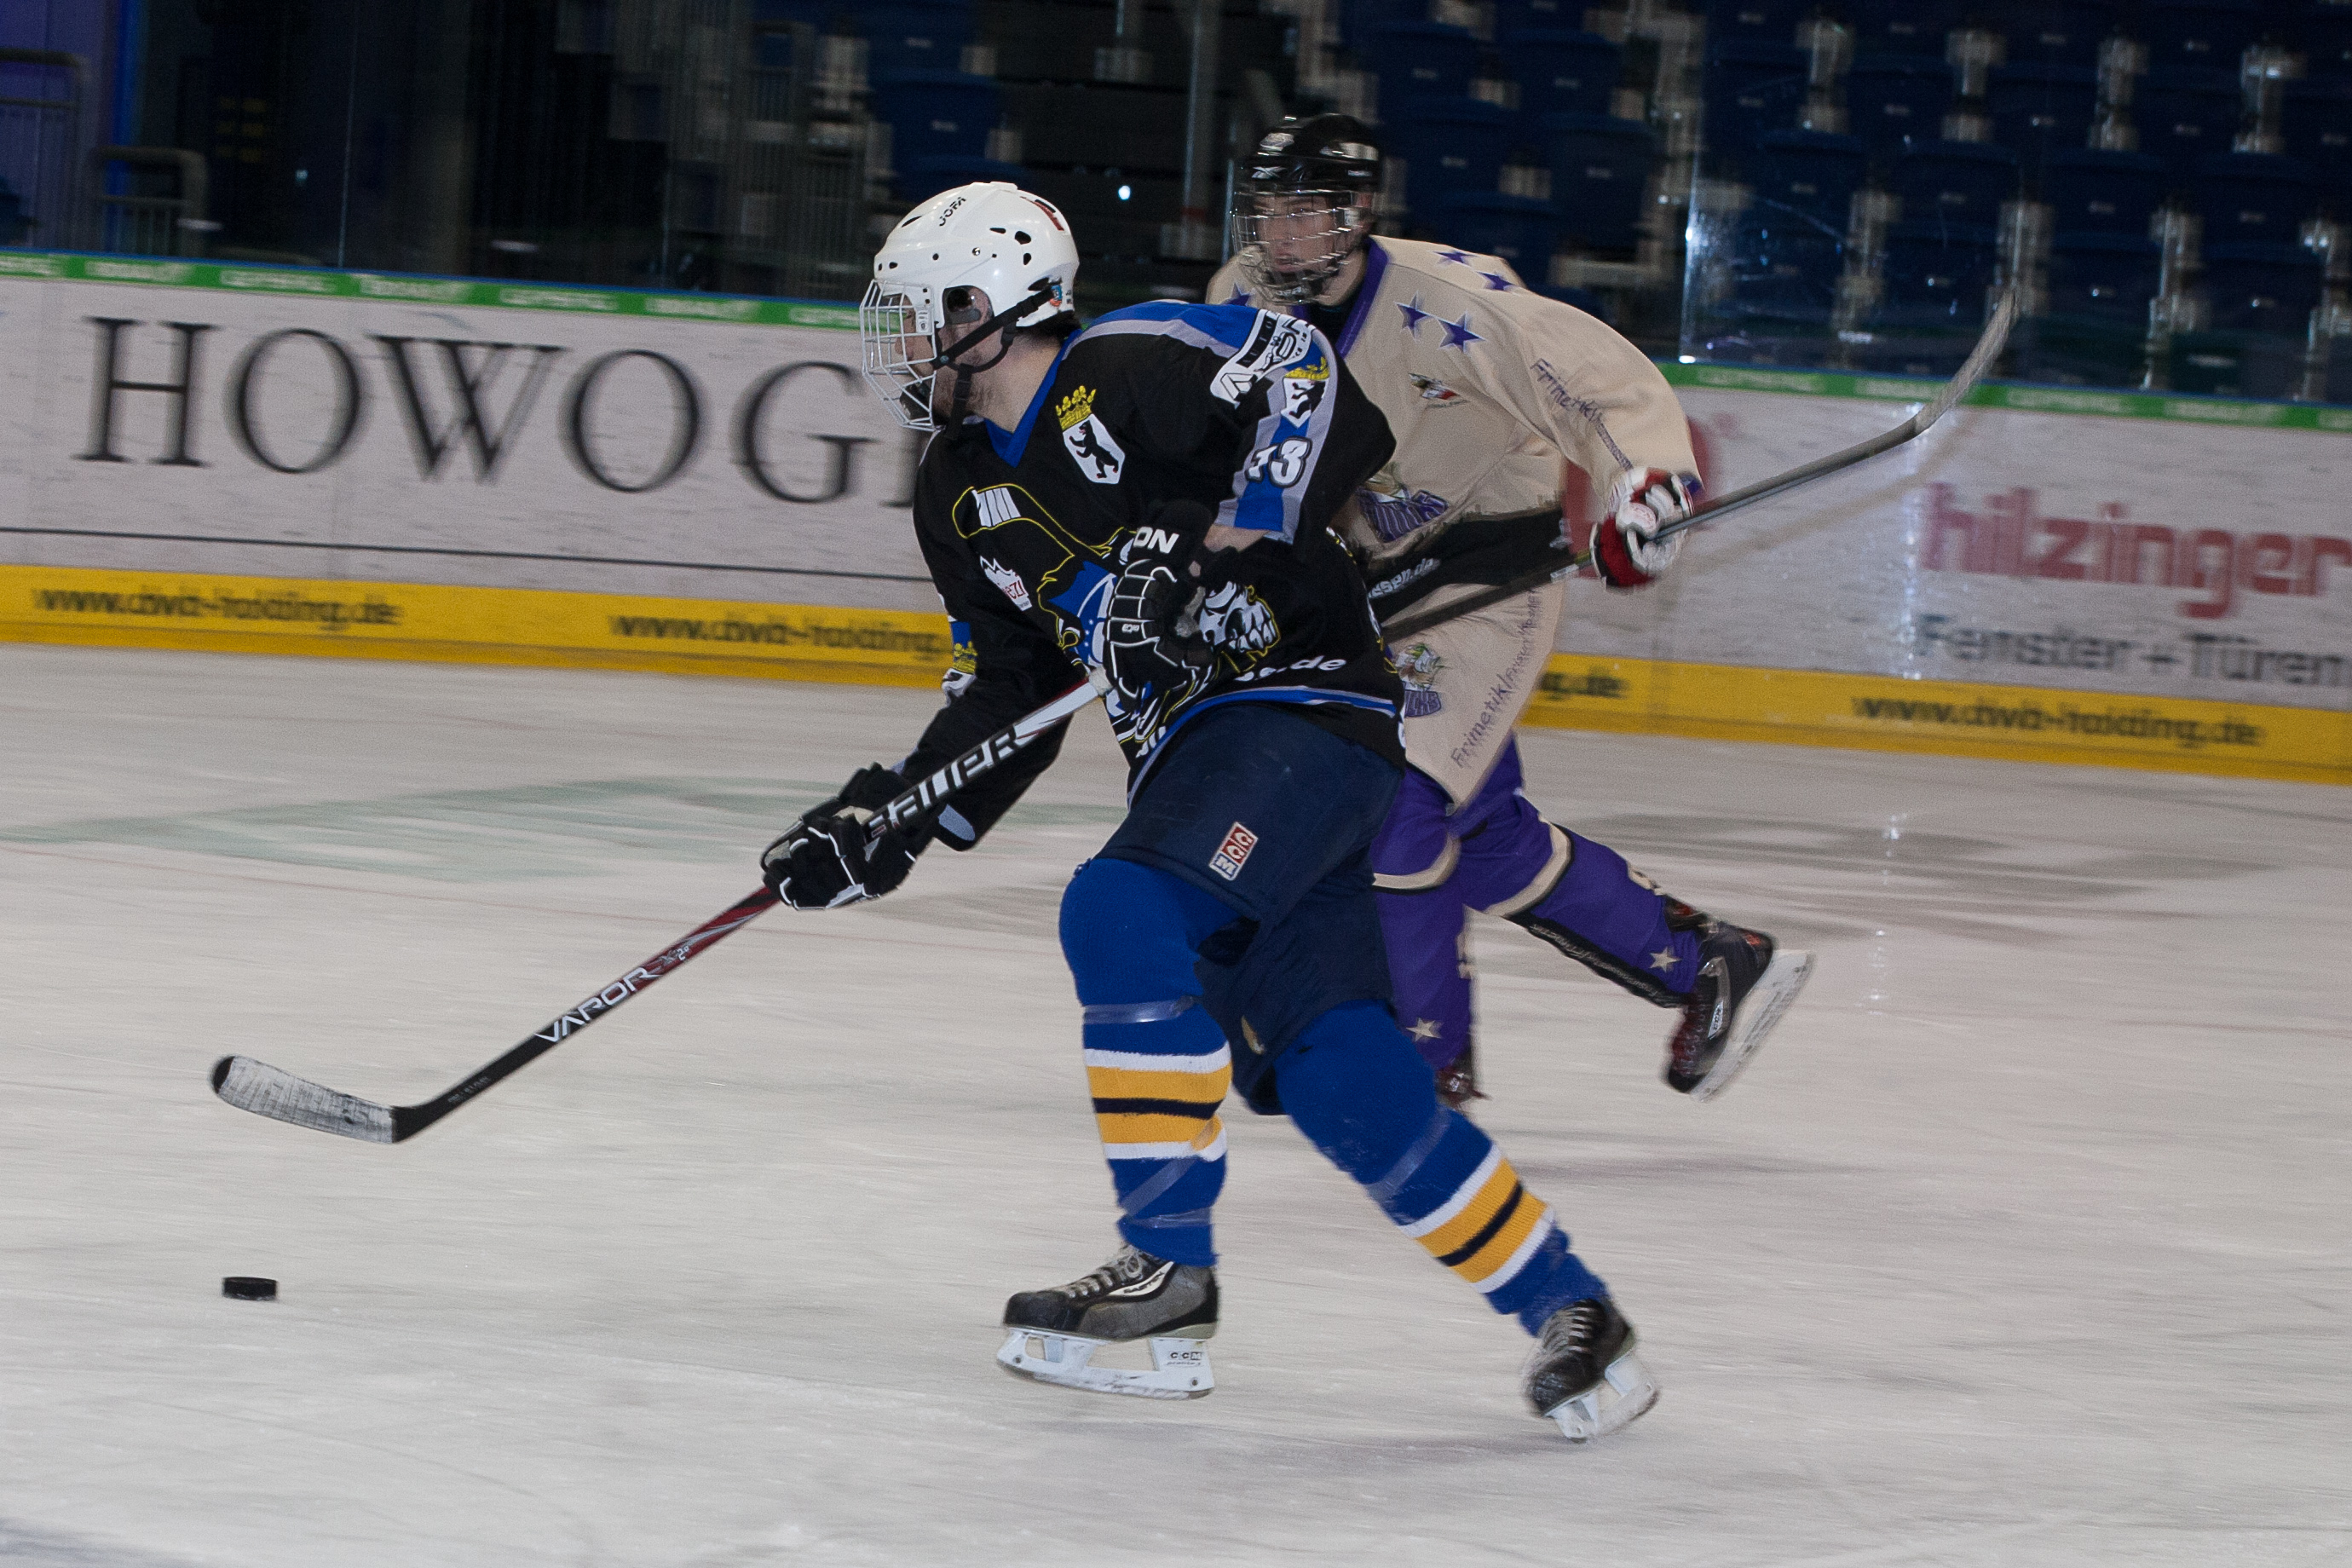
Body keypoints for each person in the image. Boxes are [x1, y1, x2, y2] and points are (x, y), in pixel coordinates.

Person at [759, 181, 1657, 1439]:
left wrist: (1238, 547)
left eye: (919, 316)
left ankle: (1168, 1274)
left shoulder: (1131, 363)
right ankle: (1578, 1315)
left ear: (989, 306)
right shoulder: (955, 492)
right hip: (1215, 771)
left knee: (1120, 908)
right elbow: (1010, 692)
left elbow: (1310, 381)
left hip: (1302, 711)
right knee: (1341, 1074)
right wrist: (883, 822)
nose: (904, 346)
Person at [1209, 117, 1813, 1108]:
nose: (1279, 235)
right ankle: (1706, 959)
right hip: (1365, 584)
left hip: (1483, 577)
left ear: (1357, 212)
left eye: (1304, 211)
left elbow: (1602, 383)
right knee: (1483, 830)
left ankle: (1425, 1063)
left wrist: (1646, 492)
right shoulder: (1239, 297)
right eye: (1268, 211)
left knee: (1397, 800)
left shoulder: (1449, 303)